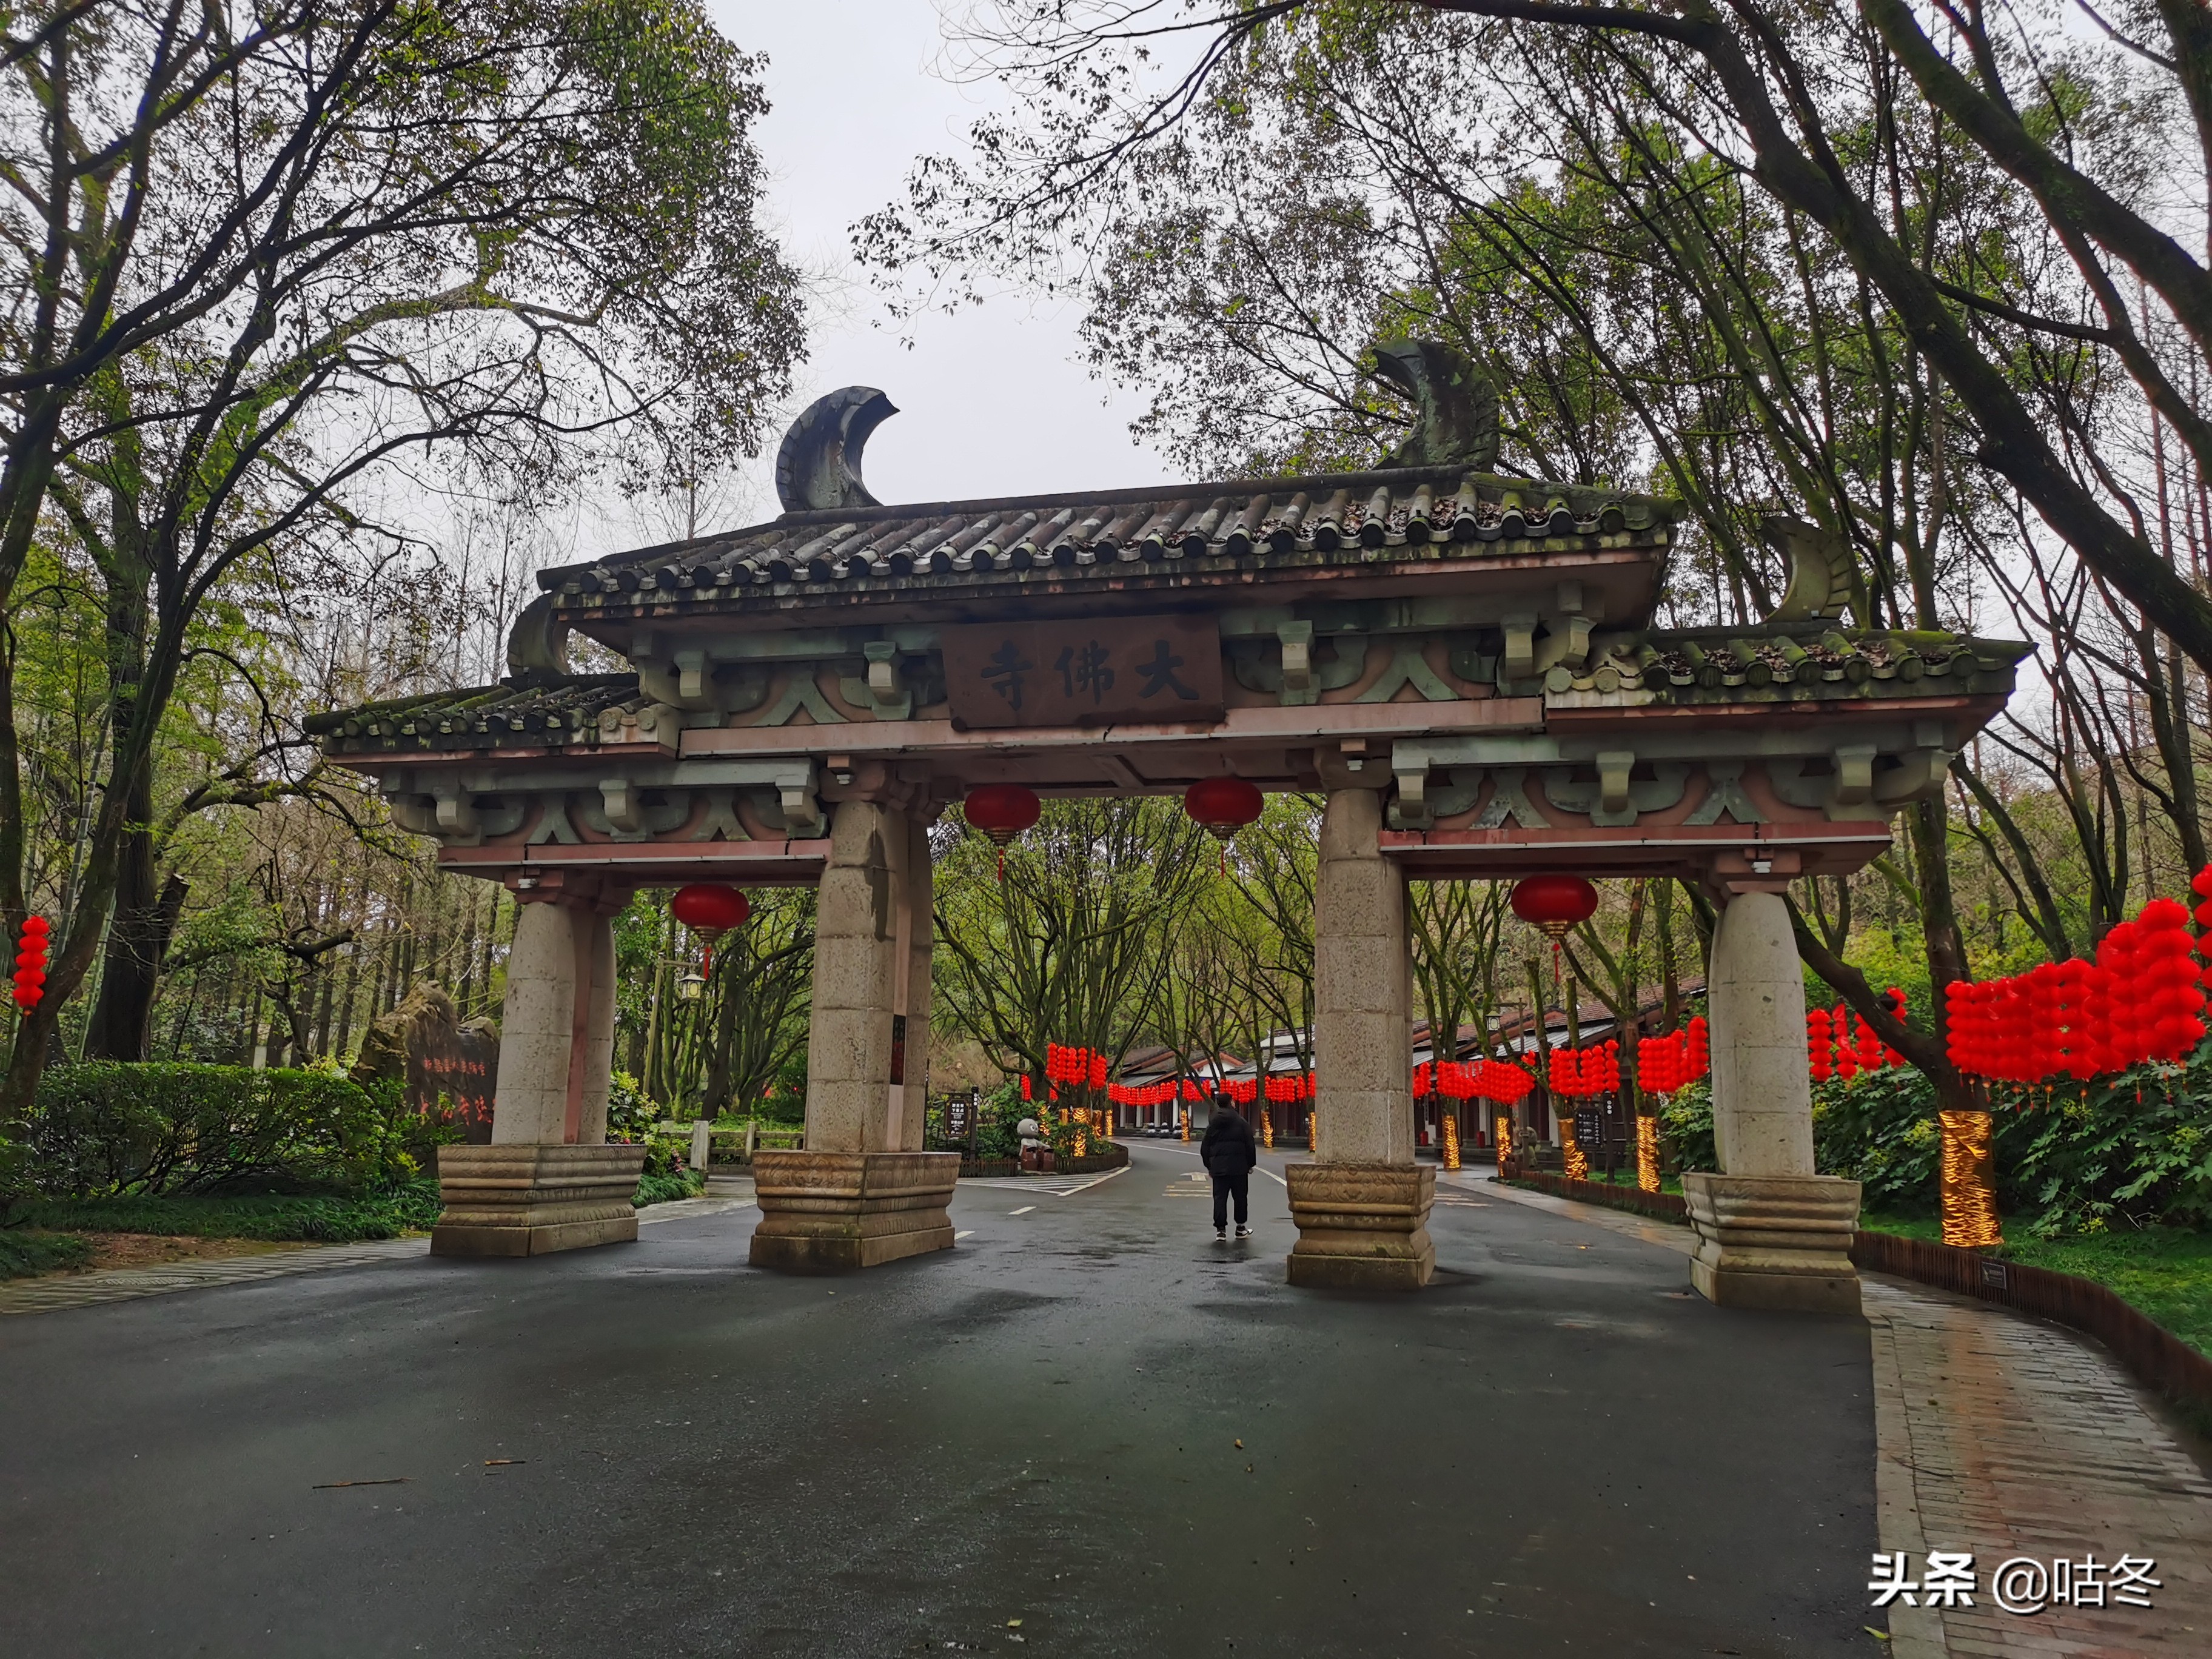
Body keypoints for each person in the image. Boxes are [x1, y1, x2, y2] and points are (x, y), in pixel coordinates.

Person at [1201, 1093, 1258, 1240]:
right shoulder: (1241, 1122)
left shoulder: (1213, 1123)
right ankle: (1240, 1228)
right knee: (1240, 1198)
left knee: (1220, 1198)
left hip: (1218, 1168)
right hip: (1239, 1168)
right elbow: (1250, 1145)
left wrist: (1209, 1166)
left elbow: (1205, 1147)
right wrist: (1250, 1164)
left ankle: (1221, 1231)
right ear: (1231, 1102)